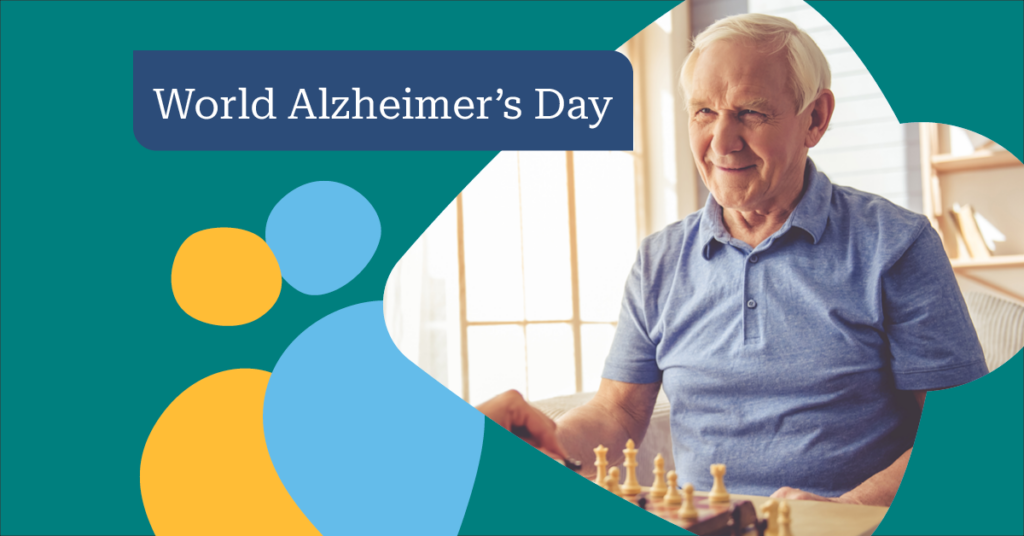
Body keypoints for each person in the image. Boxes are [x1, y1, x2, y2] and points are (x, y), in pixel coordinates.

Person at [479, 13, 988, 507]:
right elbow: (618, 411)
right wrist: (547, 442)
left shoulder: (896, 243)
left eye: (751, 112)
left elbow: (968, 438)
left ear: (816, 118)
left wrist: (847, 507)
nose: (721, 142)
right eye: (704, 111)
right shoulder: (659, 259)